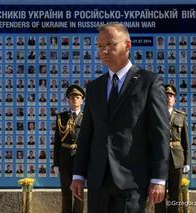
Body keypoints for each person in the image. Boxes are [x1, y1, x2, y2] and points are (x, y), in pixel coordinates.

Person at [70, 23, 170, 212]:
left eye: (110, 44)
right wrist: (78, 175)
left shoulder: (149, 82)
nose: (104, 50)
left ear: (127, 45)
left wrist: (158, 179)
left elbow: (160, 133)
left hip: (132, 180)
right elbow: (87, 134)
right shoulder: (95, 87)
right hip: (98, 180)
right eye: (100, 46)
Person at [155, 85, 189, 213]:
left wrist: (187, 162)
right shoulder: (156, 115)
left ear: (174, 99)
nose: (168, 98)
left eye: (171, 96)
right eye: (166, 95)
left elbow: (186, 141)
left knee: (175, 192)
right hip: (160, 159)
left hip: (177, 159)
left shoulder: (181, 116)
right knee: (159, 191)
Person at [54, 85, 85, 213]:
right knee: (66, 193)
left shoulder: (87, 117)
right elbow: (57, 143)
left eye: (78, 97)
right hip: (64, 159)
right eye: (72, 97)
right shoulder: (61, 117)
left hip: (80, 159)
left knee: (79, 194)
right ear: (68, 100)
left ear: (82, 100)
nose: (75, 100)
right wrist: (56, 163)